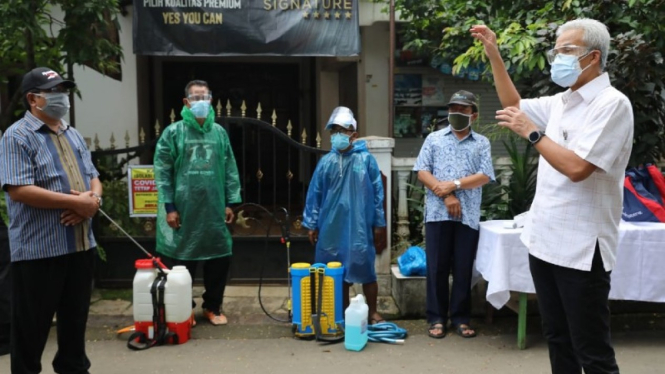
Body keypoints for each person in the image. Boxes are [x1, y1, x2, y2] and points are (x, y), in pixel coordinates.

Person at [472, 18, 633, 373]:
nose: (556, 58)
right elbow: (514, 104)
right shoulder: (564, 100)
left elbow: (578, 168)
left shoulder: (612, 104)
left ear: (592, 57)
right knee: (557, 338)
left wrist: (533, 135)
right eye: (555, 51)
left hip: (581, 249)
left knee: (591, 350)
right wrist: (494, 53)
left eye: (565, 51)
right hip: (544, 241)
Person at [0, 67, 102, 373]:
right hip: (39, 251)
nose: (62, 98)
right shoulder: (17, 136)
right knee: (31, 332)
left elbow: (94, 177)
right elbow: (19, 189)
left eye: (63, 90)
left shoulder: (71, 133)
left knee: (75, 328)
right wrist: (75, 202)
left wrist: (92, 202)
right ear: (33, 99)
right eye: (54, 92)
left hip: (80, 246)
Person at [154, 80, 241, 326]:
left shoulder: (219, 133)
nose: (200, 102)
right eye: (195, 98)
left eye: (204, 97)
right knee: (183, 260)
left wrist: (231, 202)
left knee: (218, 258)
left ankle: (212, 307)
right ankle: (185, 309)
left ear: (211, 99)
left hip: (214, 208)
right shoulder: (173, 133)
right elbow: (162, 173)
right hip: (184, 208)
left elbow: (230, 169)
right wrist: (170, 207)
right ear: (186, 102)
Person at [413, 91, 495, 339]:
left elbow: (485, 175)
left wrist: (455, 184)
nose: (457, 114)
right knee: (437, 267)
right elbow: (422, 171)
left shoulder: (481, 143)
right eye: (453, 109)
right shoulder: (434, 139)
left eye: (463, 109)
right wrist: (447, 195)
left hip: (468, 216)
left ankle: (460, 318)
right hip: (438, 214)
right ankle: (436, 318)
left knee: (462, 269)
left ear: (474, 115)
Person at [303, 107, 387, 324]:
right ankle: (341, 313)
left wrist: (379, 224)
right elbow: (315, 194)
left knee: (365, 267)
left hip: (360, 224)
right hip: (331, 225)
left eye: (342, 130)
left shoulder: (366, 160)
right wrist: (312, 224)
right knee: (335, 268)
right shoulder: (326, 162)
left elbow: (378, 193)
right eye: (334, 131)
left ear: (354, 134)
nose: (337, 135)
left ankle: (372, 312)